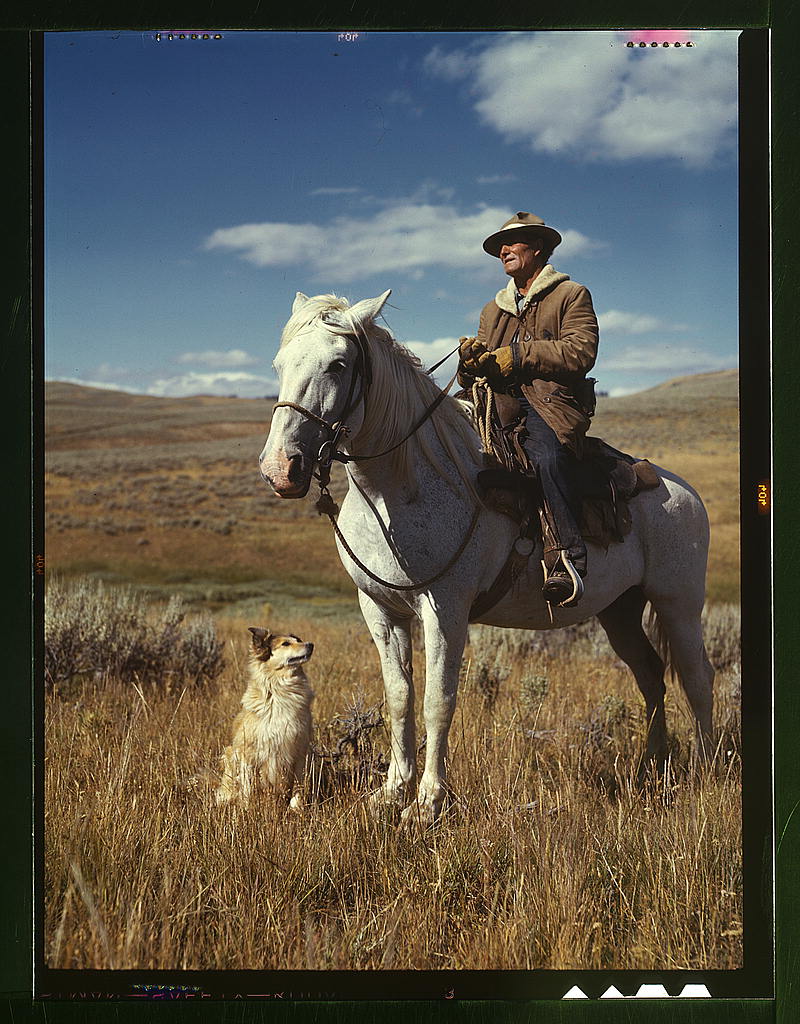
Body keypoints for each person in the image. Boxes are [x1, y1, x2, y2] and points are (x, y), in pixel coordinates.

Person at [458, 211, 599, 606]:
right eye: (499, 248)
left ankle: (567, 557)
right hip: (495, 403)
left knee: (549, 458)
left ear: (537, 248)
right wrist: (471, 364)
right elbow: (484, 366)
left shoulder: (570, 294)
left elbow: (580, 351)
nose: (503, 251)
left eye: (512, 243)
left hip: (550, 403)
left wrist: (517, 356)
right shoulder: (493, 309)